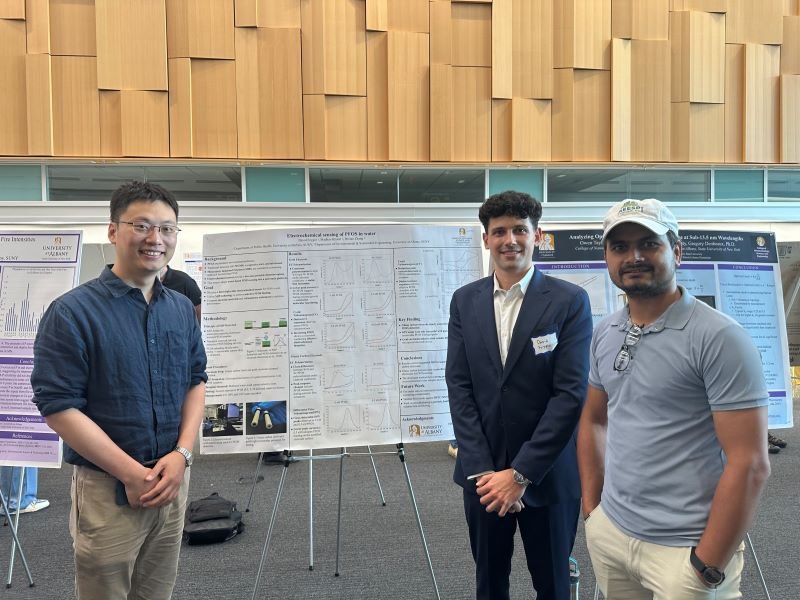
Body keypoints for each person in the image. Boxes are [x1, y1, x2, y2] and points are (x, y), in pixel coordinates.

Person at [577, 198, 771, 599]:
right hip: (612, 533)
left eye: (649, 244)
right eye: (620, 247)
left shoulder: (719, 337)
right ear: (608, 258)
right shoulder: (607, 330)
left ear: (676, 251)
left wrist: (707, 564)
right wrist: (594, 511)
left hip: (686, 549)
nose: (633, 256)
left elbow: (750, 462)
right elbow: (595, 419)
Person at [31, 181, 207, 600]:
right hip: (108, 488)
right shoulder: (73, 312)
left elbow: (195, 379)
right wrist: (132, 474)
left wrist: (182, 455)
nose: (155, 239)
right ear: (113, 231)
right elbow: (57, 405)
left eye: (167, 228)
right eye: (142, 225)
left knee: (156, 592)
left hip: (172, 479)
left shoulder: (180, 308)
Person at [446, 190, 593, 600]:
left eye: (519, 230)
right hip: (483, 479)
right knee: (489, 584)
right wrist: (483, 471)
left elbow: (570, 395)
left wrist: (521, 474)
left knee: (553, 584)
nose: (510, 240)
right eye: (499, 232)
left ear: (537, 235)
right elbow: (459, 386)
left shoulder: (569, 301)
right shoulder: (465, 301)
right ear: (486, 240)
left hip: (546, 477)